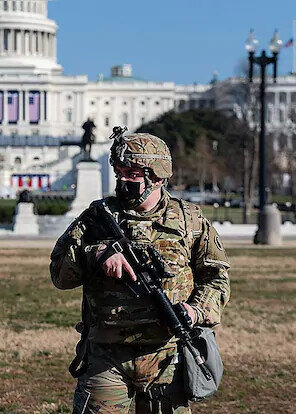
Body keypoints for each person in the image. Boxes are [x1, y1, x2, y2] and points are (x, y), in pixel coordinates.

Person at [49, 131, 230, 413]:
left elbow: (216, 277)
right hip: (106, 355)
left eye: (132, 173)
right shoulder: (96, 218)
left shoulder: (189, 220)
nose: (123, 180)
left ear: (157, 177)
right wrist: (94, 254)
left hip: (166, 358)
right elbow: (60, 276)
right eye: (119, 172)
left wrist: (195, 311)